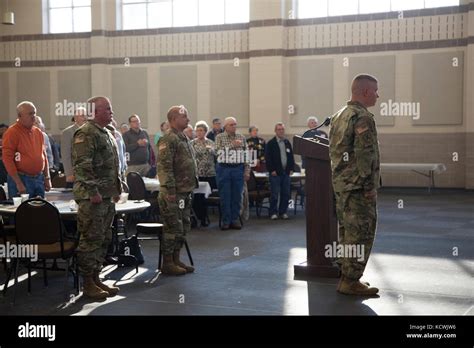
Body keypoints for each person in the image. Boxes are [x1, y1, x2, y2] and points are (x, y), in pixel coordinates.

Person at [329, 74, 381, 296]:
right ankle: (351, 280)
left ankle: (346, 276)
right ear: (366, 92)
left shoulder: (338, 115)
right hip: (359, 187)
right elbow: (365, 155)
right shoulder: (362, 117)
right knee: (362, 232)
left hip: (342, 186)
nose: (378, 95)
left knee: (347, 232)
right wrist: (370, 186)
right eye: (376, 91)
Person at [72, 96, 122, 300]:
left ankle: (96, 278)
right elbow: (83, 166)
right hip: (92, 198)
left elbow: (113, 165)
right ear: (95, 111)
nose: (111, 112)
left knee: (103, 239)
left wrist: (116, 189)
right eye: (107, 109)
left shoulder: (106, 132)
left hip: (106, 196)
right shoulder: (85, 132)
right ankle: (87, 283)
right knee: (90, 239)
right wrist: (93, 192)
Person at [157, 105, 198, 275]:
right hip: (173, 193)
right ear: (174, 119)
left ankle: (176, 259)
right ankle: (167, 263)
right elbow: (164, 167)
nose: (188, 120)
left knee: (182, 227)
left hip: (184, 191)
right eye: (184, 117)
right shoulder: (169, 139)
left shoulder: (182, 137)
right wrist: (171, 190)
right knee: (172, 228)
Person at [2, 101, 51, 198]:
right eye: (30, 114)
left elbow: (43, 155)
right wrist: (18, 183)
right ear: (20, 116)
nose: (33, 116)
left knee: (40, 211)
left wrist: (47, 177)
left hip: (38, 178)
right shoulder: (12, 132)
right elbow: (7, 159)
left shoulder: (38, 132)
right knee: (22, 212)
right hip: (22, 179)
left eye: (34, 113)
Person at [215, 117, 250, 230]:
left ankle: (235, 220)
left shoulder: (242, 137)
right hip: (224, 169)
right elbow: (216, 153)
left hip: (238, 169)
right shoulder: (219, 137)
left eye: (235, 124)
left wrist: (247, 171)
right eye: (231, 125)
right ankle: (226, 221)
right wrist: (231, 145)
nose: (234, 126)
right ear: (225, 126)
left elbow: (247, 155)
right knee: (225, 196)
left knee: (237, 196)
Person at [265, 123, 295, 220]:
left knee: (286, 193)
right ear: (275, 131)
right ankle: (273, 212)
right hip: (275, 173)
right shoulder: (271, 143)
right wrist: (271, 170)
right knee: (274, 194)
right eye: (279, 129)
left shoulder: (287, 142)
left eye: (282, 129)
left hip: (286, 173)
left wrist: (291, 169)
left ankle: (283, 212)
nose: (281, 131)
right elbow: (268, 158)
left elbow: (291, 157)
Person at [191, 121, 216, 227]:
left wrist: (212, 150)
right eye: (197, 130)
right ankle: (196, 218)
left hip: (209, 173)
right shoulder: (192, 143)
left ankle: (204, 218)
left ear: (205, 132)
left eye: (201, 130)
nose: (199, 132)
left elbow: (217, 154)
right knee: (196, 197)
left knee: (205, 197)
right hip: (197, 173)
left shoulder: (210, 142)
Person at [61, 108, 87, 188]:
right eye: (82, 116)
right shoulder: (68, 132)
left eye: (86, 115)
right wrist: (69, 173)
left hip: (89, 174)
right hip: (75, 174)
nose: (85, 118)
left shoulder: (90, 131)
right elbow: (65, 155)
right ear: (75, 118)